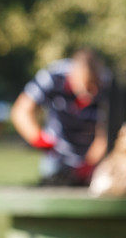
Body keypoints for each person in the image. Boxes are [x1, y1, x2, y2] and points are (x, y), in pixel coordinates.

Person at [10, 48, 109, 186]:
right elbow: (21, 111)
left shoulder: (108, 84)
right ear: (73, 76)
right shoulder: (52, 77)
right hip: (57, 153)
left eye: (95, 86)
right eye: (86, 86)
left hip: (92, 157)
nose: (91, 93)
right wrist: (39, 139)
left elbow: (106, 133)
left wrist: (89, 163)